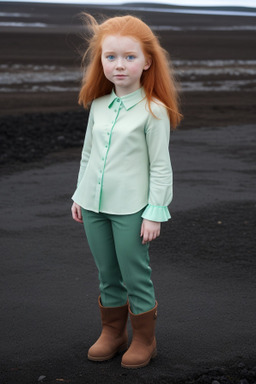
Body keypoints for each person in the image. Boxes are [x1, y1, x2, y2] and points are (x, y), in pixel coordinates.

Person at [71, 13, 182, 369]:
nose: (120, 65)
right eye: (111, 57)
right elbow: (89, 153)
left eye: (130, 57)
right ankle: (112, 333)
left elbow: (160, 166)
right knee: (107, 273)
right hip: (93, 205)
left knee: (135, 273)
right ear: (101, 60)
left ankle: (144, 339)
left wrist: (155, 211)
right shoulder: (100, 106)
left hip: (132, 209)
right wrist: (78, 194)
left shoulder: (153, 111)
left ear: (147, 61)